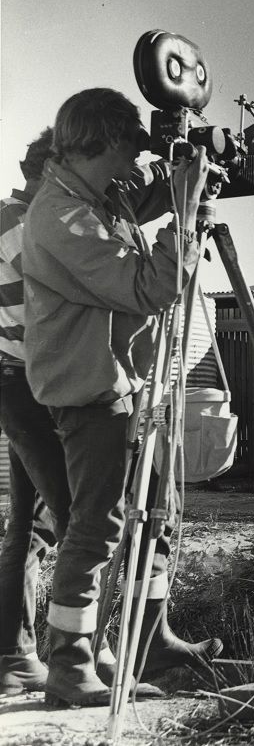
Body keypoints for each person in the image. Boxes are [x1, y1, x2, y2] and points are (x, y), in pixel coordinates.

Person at [21, 88, 221, 706]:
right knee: (97, 524)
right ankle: (70, 664)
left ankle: (148, 640)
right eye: (127, 149)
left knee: (155, 510)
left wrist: (188, 170)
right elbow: (148, 288)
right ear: (101, 143)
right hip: (89, 392)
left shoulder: (96, 194)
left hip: (124, 383)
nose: (134, 161)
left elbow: (145, 188)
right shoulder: (62, 218)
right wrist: (185, 217)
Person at [0, 129, 73, 696]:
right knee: (76, 519)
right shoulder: (23, 223)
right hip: (31, 385)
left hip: (19, 381)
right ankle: (80, 655)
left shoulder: (10, 215)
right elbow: (65, 288)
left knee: (28, 526)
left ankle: (16, 654)